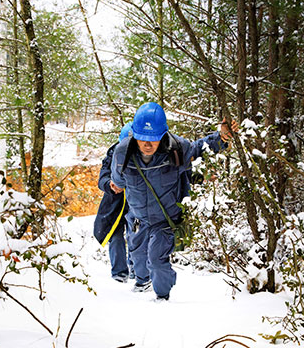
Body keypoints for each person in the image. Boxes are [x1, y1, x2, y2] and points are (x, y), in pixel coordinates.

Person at [110, 102, 237, 301]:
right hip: (138, 218)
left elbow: (200, 148)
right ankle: (142, 284)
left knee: (157, 260)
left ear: (163, 135)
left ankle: (162, 298)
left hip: (165, 219)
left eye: (153, 139)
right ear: (134, 134)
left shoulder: (176, 149)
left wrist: (220, 137)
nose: (148, 144)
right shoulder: (122, 153)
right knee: (138, 258)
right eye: (143, 138)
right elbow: (117, 179)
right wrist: (115, 185)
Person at [94, 123, 134, 282]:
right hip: (114, 204)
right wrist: (110, 184)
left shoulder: (145, 154)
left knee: (135, 235)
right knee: (116, 236)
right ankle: (119, 273)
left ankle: (137, 271)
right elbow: (102, 177)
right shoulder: (112, 155)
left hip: (136, 203)